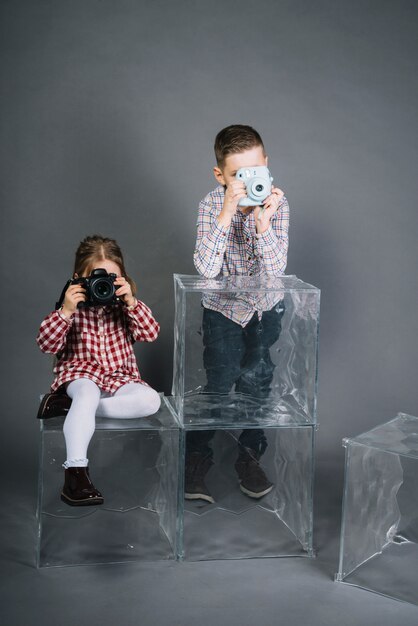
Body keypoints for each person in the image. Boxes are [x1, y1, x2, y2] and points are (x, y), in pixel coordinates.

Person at [186, 124, 289, 503]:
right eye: (237, 176)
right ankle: (196, 459)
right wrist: (228, 212)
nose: (248, 184)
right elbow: (207, 270)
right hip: (222, 312)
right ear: (221, 176)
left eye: (255, 173)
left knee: (257, 385)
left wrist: (263, 224)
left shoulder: (278, 204)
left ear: (267, 165)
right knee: (217, 385)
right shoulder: (211, 205)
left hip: (265, 311)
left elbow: (276, 271)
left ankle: (249, 457)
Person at [37, 235, 161, 506]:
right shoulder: (71, 306)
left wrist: (130, 301)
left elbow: (151, 333)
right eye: (95, 278)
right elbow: (46, 344)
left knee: (152, 401)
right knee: (87, 393)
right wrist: (66, 311)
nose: (102, 285)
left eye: (112, 279)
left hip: (120, 375)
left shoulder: (125, 306)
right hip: (80, 373)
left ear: (123, 278)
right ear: (77, 278)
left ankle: (69, 408)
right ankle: (76, 474)